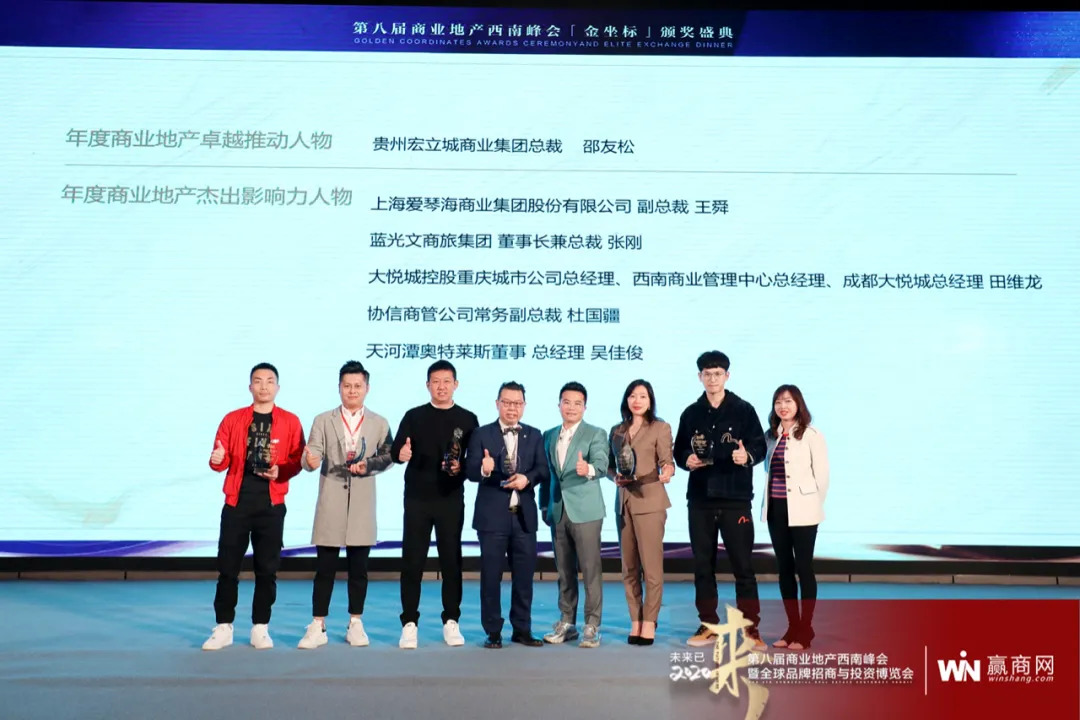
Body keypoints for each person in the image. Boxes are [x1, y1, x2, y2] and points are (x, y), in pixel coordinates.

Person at [202, 363, 305, 651]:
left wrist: (280, 471)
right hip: (237, 503)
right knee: (228, 568)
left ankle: (260, 627)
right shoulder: (233, 419)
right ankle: (223, 627)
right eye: (258, 381)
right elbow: (219, 459)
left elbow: (297, 460)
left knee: (267, 569)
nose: (263, 386)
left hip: (271, 505)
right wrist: (217, 459)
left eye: (269, 381)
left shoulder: (290, 421)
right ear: (250, 387)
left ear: (277, 387)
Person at [297, 361, 394, 649]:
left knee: (359, 569)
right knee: (324, 567)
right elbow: (311, 454)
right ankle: (318, 624)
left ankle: (355, 623)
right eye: (347, 386)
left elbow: (389, 456)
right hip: (331, 500)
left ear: (367, 388)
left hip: (362, 502)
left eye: (357, 386)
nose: (352, 391)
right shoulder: (323, 420)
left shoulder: (379, 422)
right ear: (339, 388)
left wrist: (369, 465)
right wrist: (309, 461)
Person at [674, 351, 767, 650]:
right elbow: (679, 450)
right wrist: (686, 459)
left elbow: (759, 446)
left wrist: (747, 456)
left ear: (727, 376)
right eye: (707, 374)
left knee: (743, 567)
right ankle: (708, 625)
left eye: (718, 373)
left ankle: (750, 629)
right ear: (699, 377)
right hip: (700, 499)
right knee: (703, 565)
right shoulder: (691, 413)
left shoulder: (744, 410)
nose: (712, 379)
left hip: (735, 498)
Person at [390, 360, 479, 649]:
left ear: (456, 384)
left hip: (450, 499)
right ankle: (409, 623)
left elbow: (473, 462)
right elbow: (396, 450)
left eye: (446, 381)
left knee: (451, 561)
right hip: (417, 499)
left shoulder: (468, 419)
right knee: (412, 561)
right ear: (428, 385)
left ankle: (451, 620)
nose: (441, 387)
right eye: (436, 382)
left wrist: (461, 468)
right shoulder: (414, 416)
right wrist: (401, 453)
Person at [465, 381, 549, 649]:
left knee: (524, 577)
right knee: (491, 577)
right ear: (497, 404)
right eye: (507, 402)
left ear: (524, 406)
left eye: (517, 403)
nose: (512, 408)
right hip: (492, 517)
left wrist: (527, 479)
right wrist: (485, 468)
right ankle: (493, 630)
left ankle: (522, 629)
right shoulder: (481, 434)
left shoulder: (534, 435)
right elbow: (470, 471)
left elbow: (543, 469)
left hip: (523, 516)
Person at [539, 382, 609, 648]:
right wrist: (544, 506)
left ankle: (592, 625)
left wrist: (587, 468)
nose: (571, 407)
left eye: (577, 403)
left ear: (584, 407)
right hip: (558, 510)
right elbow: (547, 475)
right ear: (559, 405)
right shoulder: (548, 435)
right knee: (564, 571)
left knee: (590, 570)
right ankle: (567, 622)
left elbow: (602, 463)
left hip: (586, 511)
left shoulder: (595, 433)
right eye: (566, 402)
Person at [762, 384, 829, 651]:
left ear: (798, 404)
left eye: (788, 401)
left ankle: (805, 629)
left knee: (804, 567)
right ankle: (792, 627)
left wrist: (812, 505)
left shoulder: (811, 435)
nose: (783, 406)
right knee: (785, 569)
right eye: (778, 402)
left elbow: (822, 476)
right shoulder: (771, 435)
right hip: (776, 509)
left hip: (804, 511)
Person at [608, 379, 674, 646]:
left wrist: (668, 471)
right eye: (632, 396)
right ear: (626, 400)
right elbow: (610, 466)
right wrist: (613, 477)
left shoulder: (660, 427)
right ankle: (635, 620)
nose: (637, 401)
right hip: (623, 503)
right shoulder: (617, 430)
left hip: (650, 502)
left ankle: (649, 621)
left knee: (651, 568)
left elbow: (667, 461)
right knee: (629, 568)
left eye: (643, 396)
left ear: (650, 401)